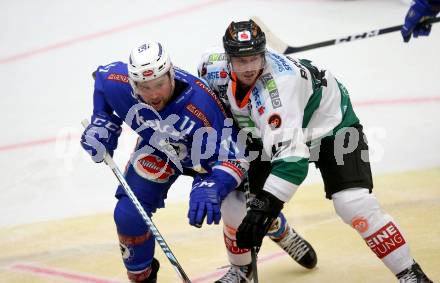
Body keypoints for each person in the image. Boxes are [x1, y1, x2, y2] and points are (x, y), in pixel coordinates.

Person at [198, 20, 433, 282]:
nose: (249, 67)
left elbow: (292, 163)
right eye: (241, 61)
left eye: (255, 58)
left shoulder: (277, 93)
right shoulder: (210, 66)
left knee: (353, 204)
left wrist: (264, 210)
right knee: (235, 203)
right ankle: (246, 265)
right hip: (263, 131)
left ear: (264, 54)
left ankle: (410, 273)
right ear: (228, 58)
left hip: (331, 127)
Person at [80, 41, 252, 282]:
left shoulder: (201, 104)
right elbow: (102, 79)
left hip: (204, 157)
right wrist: (101, 121)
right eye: (143, 87)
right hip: (159, 148)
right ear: (132, 82)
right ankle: (143, 277)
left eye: (159, 84)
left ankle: (275, 230)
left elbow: (235, 156)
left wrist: (213, 185)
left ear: (170, 74)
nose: (153, 95)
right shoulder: (117, 82)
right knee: (128, 214)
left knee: (237, 204)